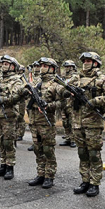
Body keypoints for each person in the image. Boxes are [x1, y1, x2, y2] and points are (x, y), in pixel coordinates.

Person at [63, 52, 105, 197]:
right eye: (84, 61)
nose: (86, 63)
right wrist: (69, 93)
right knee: (82, 153)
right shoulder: (76, 78)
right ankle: (85, 181)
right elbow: (62, 91)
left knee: (94, 154)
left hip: (93, 122)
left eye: (89, 60)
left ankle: (94, 183)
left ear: (96, 63)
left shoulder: (102, 79)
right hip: (77, 122)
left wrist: (95, 101)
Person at [25, 58, 63, 189]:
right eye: (41, 65)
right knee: (38, 149)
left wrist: (48, 106)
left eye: (45, 66)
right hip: (34, 121)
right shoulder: (37, 82)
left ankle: (49, 176)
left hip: (46, 123)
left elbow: (62, 102)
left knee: (48, 150)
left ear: (52, 68)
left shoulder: (56, 84)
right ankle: (40, 174)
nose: (42, 68)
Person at [0, 55, 25, 180]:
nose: (3, 65)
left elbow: (15, 97)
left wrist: (1, 99)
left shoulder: (16, 80)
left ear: (12, 66)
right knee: (0, 141)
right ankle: (3, 164)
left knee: (8, 142)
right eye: (2, 63)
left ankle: (10, 167)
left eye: (6, 63)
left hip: (8, 115)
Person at [59, 60, 78, 148]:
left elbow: (68, 85)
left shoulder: (75, 76)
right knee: (65, 122)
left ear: (72, 67)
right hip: (63, 102)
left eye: (68, 67)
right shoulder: (63, 77)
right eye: (66, 67)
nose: (67, 68)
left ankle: (73, 139)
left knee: (72, 121)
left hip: (72, 103)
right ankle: (68, 138)